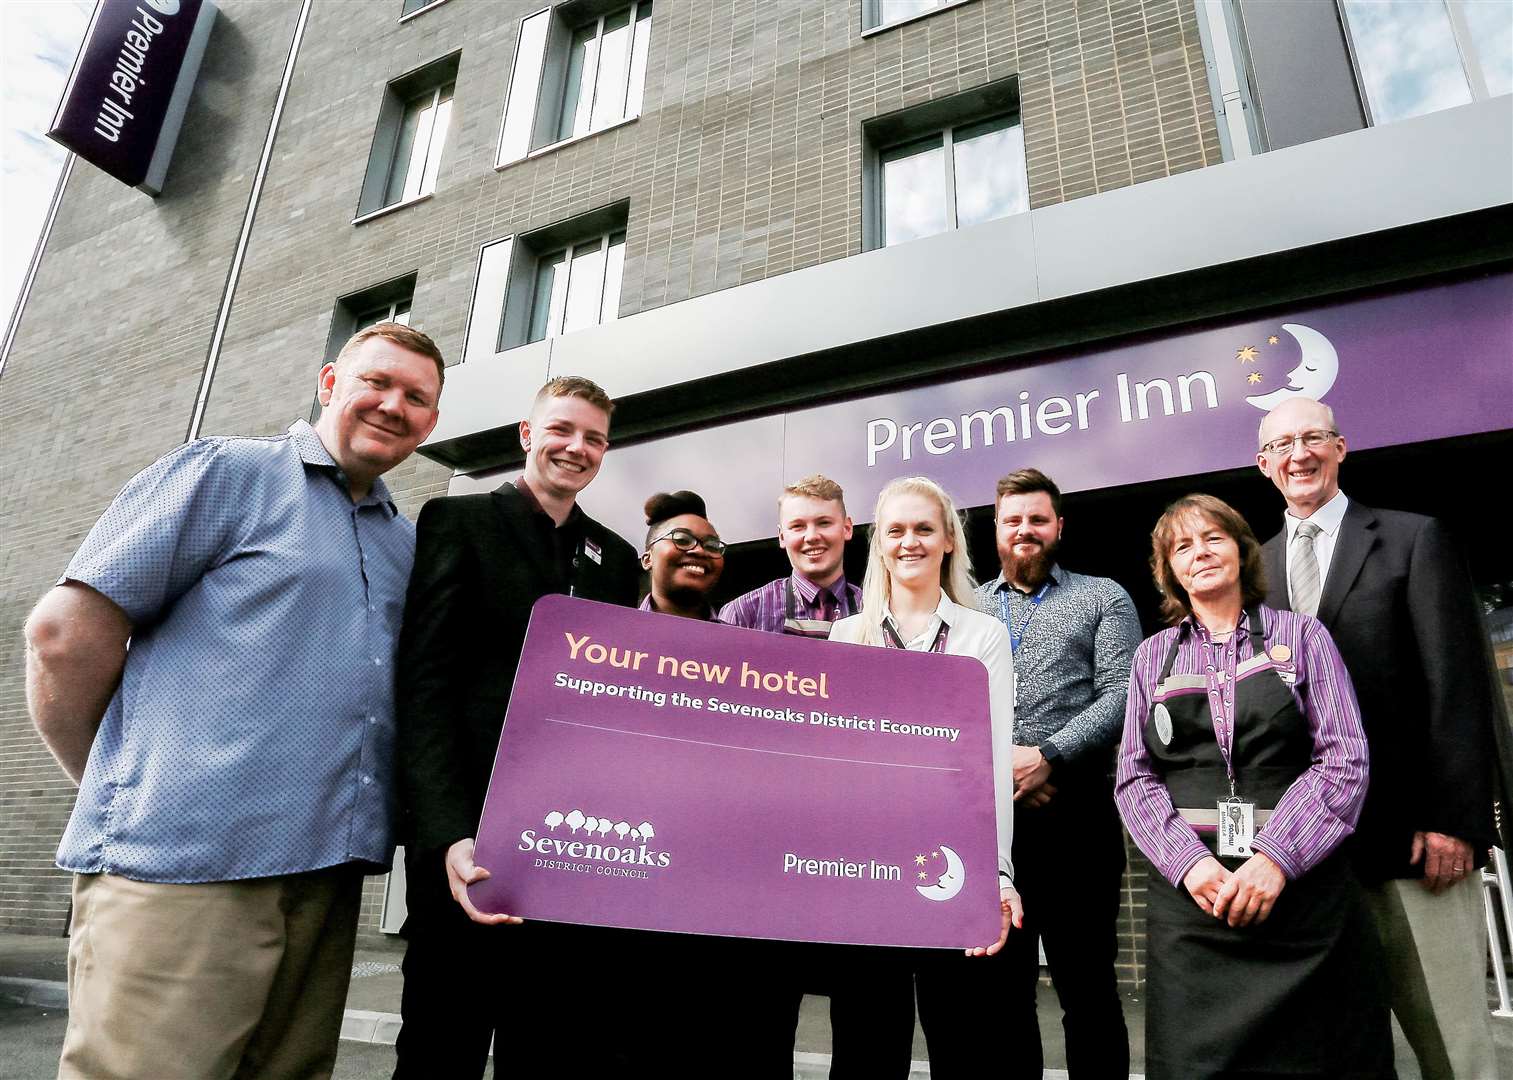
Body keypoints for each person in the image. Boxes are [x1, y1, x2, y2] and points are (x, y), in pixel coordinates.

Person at [24, 322, 443, 1080]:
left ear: (432, 423)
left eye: (416, 397)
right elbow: (62, 635)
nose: (392, 405)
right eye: (375, 382)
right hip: (184, 869)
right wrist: (112, 782)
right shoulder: (229, 473)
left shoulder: (403, 544)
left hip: (327, 879)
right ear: (328, 384)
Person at [392, 376, 641, 1078]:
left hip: (568, 850)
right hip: (466, 842)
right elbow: (426, 687)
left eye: (593, 438)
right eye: (562, 430)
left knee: (550, 1047)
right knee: (443, 1046)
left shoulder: (615, 559)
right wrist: (443, 831)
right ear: (527, 435)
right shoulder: (457, 523)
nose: (577, 447)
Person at [1255, 396, 1504, 1079]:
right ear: (1263, 465)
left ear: (1340, 448)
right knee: (1344, 1051)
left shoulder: (1411, 539)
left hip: (1413, 849)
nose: (1298, 454)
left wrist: (1453, 821)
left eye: (1313, 439)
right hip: (1311, 860)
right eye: (1282, 445)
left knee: (1453, 1049)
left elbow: (1455, 689)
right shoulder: (1256, 573)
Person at [1115, 493, 1392, 1079]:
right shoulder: (1151, 657)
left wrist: (1275, 859)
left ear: (1241, 549)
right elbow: (1134, 778)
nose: (1200, 553)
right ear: (1169, 570)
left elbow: (1344, 758)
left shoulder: (1304, 637)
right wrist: (1189, 863)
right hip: (1194, 910)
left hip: (1302, 903)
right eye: (1182, 546)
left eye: (1213, 538)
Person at [828, 476, 1021, 1080]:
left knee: (963, 1046)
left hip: (951, 864)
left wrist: (998, 873)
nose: (909, 541)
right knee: (864, 1050)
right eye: (896, 531)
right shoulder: (846, 636)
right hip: (866, 869)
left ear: (947, 543)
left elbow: (990, 759)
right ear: (879, 545)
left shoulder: (981, 635)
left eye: (923, 529)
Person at [721, 476, 913, 1078]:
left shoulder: (889, 615)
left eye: (824, 522)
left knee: (873, 1025)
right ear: (781, 537)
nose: (812, 536)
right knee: (757, 1025)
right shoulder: (742, 614)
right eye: (798, 525)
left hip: (865, 850)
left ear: (849, 529)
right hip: (766, 852)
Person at [973, 468, 1136, 1078]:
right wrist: (1006, 768)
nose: (1025, 530)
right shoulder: (966, 606)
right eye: (1013, 520)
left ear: (1058, 526)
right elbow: (949, 706)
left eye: (1037, 519)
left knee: (1088, 991)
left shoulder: (1103, 596)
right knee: (1003, 998)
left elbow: (1121, 693)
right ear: (995, 529)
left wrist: (1049, 757)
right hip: (994, 832)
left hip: (1078, 825)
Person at [640, 489, 726, 621]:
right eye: (682, 540)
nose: (700, 551)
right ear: (647, 559)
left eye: (712, 546)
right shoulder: (609, 634)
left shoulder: (738, 641)